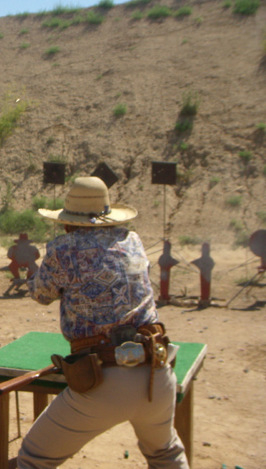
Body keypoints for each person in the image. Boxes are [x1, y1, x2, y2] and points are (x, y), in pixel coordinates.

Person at [18, 176, 189, 469]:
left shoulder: (62, 248)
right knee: (166, 455)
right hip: (156, 371)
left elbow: (41, 294)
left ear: (68, 222)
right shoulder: (132, 239)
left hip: (102, 378)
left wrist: (33, 276)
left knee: (34, 459)